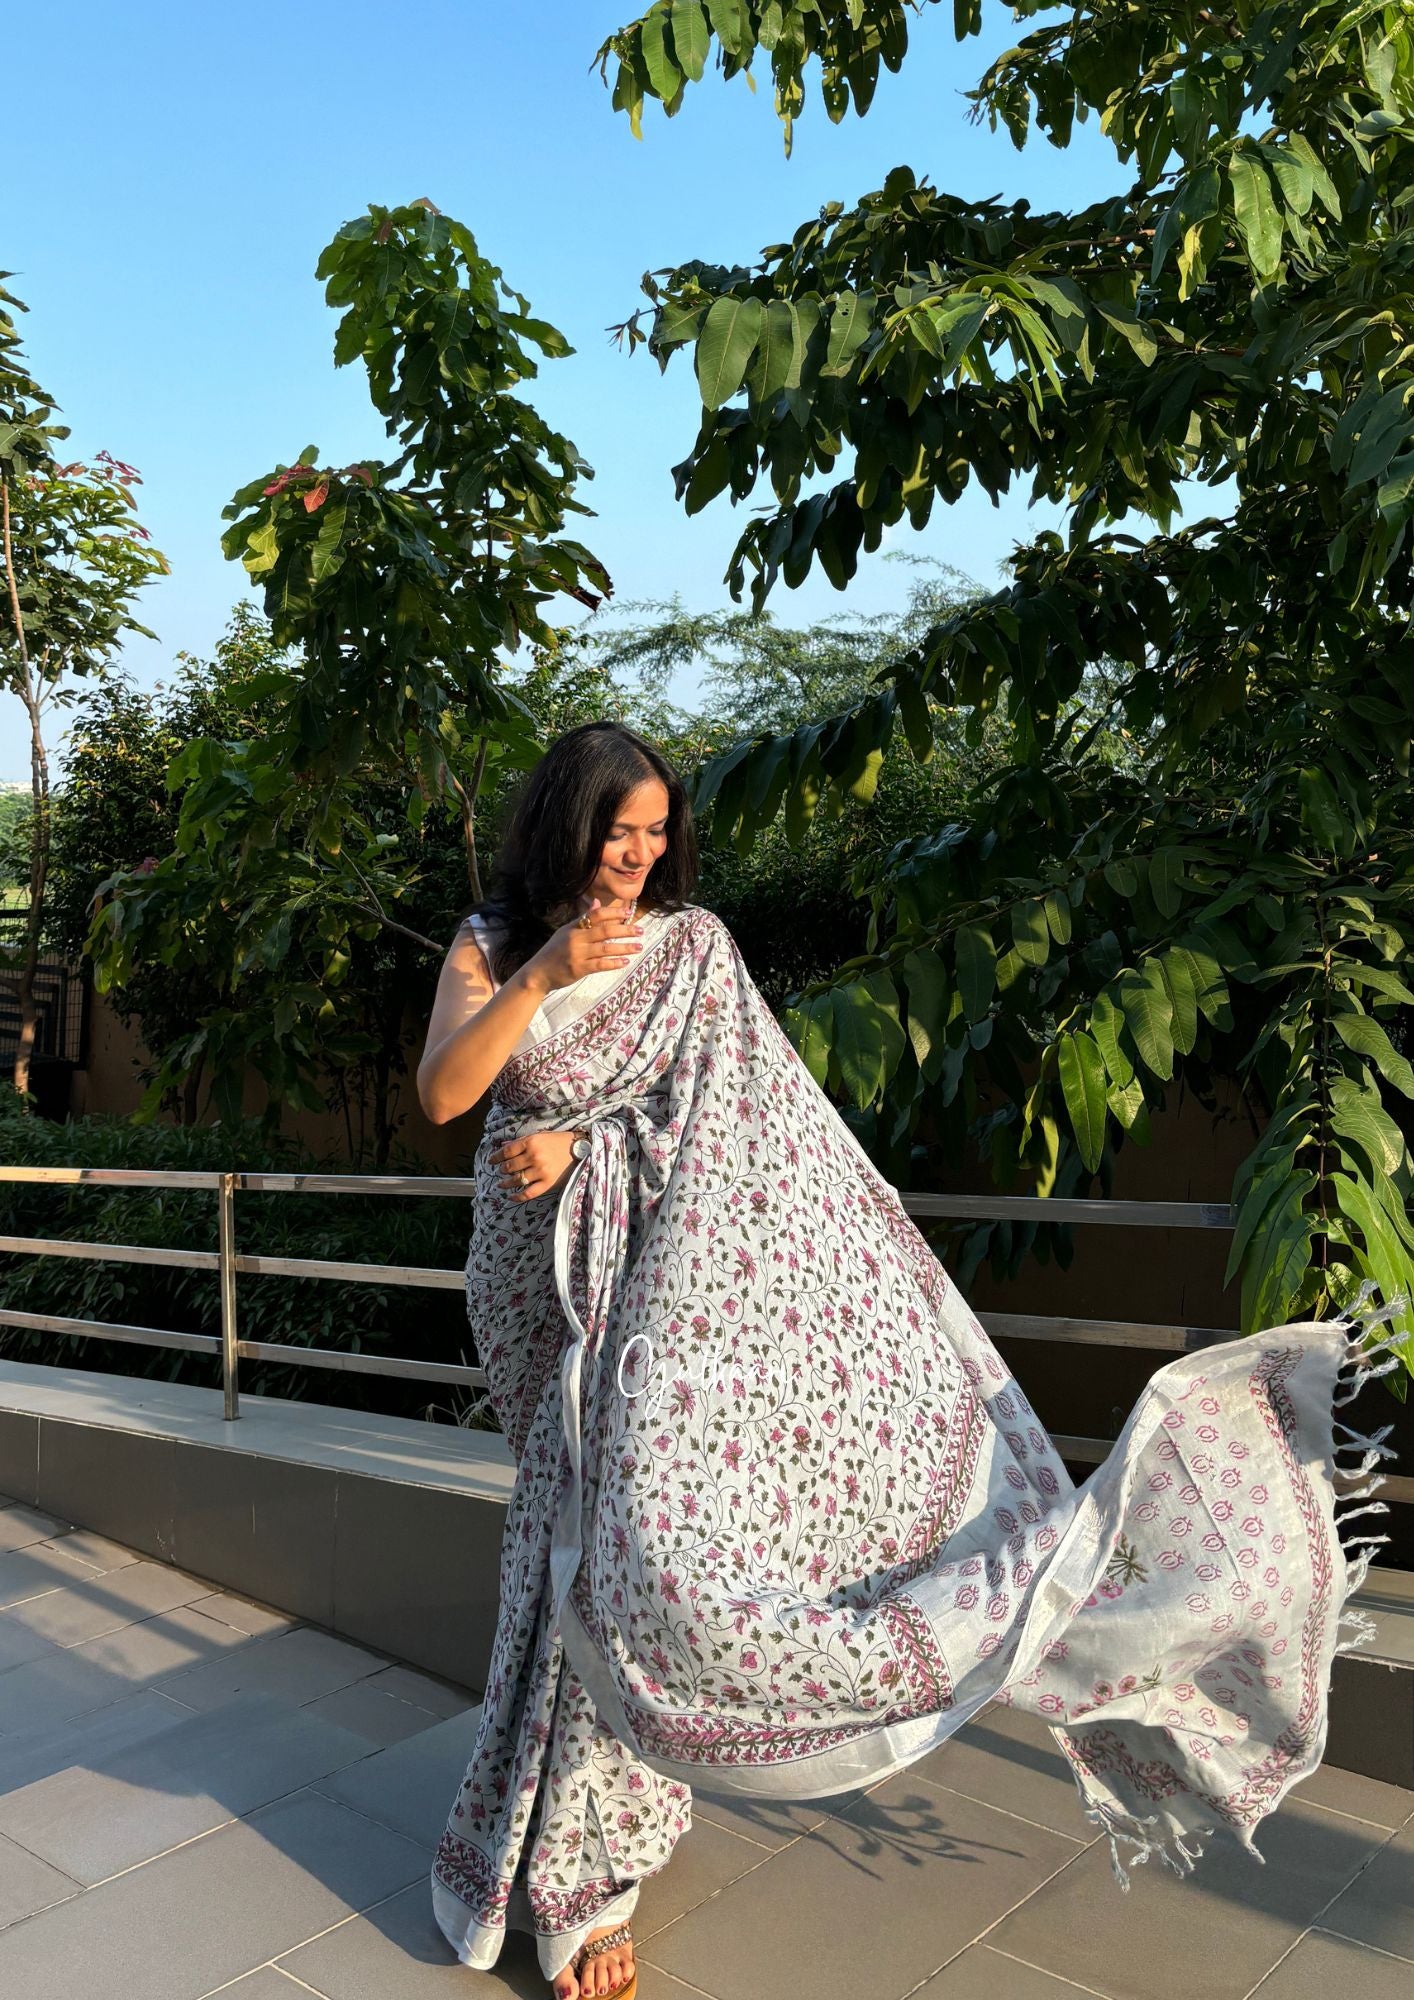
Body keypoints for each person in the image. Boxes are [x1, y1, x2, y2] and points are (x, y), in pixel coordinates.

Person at [418, 720, 1399, 2000]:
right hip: (533, 1279)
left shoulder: (695, 949)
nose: (645, 855)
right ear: (566, 825)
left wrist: (590, 1153)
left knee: (625, 1553)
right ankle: (538, 1844)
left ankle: (589, 1875)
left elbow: (743, 1143)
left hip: (652, 1284)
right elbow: (447, 1092)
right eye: (622, 831)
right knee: (553, 1545)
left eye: (662, 830)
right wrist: (545, 972)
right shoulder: (494, 940)